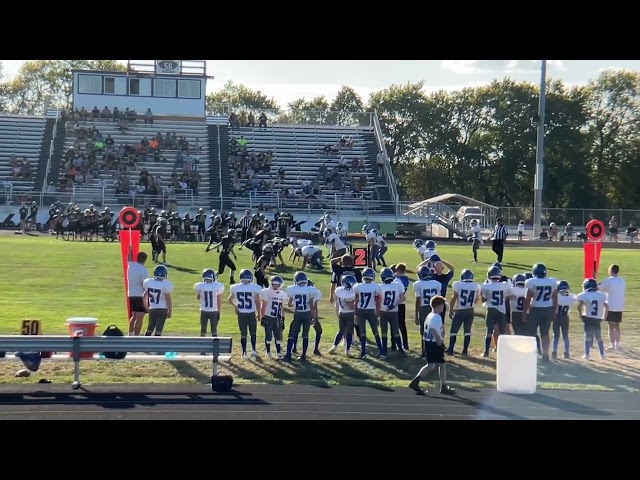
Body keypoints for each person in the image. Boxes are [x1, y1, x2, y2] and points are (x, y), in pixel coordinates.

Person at [408, 295, 456, 396]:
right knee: (433, 365)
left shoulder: (430, 315)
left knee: (439, 364)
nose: (444, 307)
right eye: (443, 305)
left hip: (429, 342)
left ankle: (442, 386)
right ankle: (416, 382)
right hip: (434, 343)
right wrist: (439, 342)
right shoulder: (436, 317)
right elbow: (433, 329)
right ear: (438, 305)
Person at [523, 263, 558, 362]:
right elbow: (555, 297)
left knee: (531, 333)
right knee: (545, 333)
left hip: (536, 309)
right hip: (548, 309)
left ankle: (531, 354)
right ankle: (545, 354)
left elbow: (528, 298)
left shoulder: (531, 282)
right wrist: (555, 311)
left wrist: (524, 313)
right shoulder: (552, 282)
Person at [283, 271, 317, 361]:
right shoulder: (311, 289)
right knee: (305, 335)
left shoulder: (292, 289)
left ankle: (288, 354)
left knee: (292, 334)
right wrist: (313, 317)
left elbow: (290, 304)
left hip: (298, 314)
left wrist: (293, 299)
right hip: (307, 313)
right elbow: (312, 305)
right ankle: (303, 355)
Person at [228, 269, 262, 359]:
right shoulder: (255, 287)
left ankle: (244, 352)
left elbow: (230, 299)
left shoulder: (236, 287)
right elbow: (257, 302)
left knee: (243, 333)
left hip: (241, 314)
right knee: (253, 333)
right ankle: (253, 350)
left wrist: (236, 306)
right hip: (251, 313)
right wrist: (259, 313)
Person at [446, 269, 481, 356]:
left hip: (460, 310)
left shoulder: (458, 284)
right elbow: (476, 300)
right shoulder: (476, 286)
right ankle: (465, 351)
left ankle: (450, 349)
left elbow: (454, 298)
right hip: (470, 310)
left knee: (454, 330)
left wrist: (451, 310)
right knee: (467, 331)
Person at [480, 266, 511, 357]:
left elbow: (483, 300)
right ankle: (504, 352)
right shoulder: (505, 285)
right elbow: (506, 296)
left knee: (489, 332)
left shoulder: (486, 286)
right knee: (503, 333)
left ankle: (486, 352)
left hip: (491, 310)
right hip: (502, 310)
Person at [353, 268, 384, 358]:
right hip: (371, 310)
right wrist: (378, 315)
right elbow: (377, 302)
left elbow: (356, 301)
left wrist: (355, 314)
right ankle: (381, 351)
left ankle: (363, 352)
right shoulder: (376, 287)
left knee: (362, 332)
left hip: (360, 310)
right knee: (375, 331)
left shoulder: (358, 286)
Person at [413, 265, 442, 357]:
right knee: (436, 329)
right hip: (436, 307)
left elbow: (418, 300)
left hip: (424, 308)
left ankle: (424, 349)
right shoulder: (437, 283)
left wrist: (416, 314)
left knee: (424, 329)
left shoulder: (417, 284)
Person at [577, 278, 609, 360]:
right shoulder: (601, 295)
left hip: (588, 318)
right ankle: (602, 354)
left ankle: (587, 354)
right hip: (597, 318)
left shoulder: (584, 295)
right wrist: (604, 317)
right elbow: (606, 306)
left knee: (587, 337)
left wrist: (580, 315)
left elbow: (580, 305)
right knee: (598, 337)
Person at [377, 267, 406, 357]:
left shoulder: (379, 287)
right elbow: (403, 298)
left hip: (383, 311)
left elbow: (377, 300)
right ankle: (401, 349)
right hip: (394, 310)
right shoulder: (397, 285)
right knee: (396, 330)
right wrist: (394, 304)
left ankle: (384, 350)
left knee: (384, 331)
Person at [259, 275, 288, 358]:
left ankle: (278, 352)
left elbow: (281, 307)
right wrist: (263, 317)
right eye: (274, 285)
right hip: (268, 316)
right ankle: (268, 352)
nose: (276, 287)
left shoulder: (282, 294)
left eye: (277, 285)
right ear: (271, 284)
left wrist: (283, 317)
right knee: (268, 336)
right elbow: (263, 306)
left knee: (277, 335)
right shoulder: (267, 292)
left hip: (277, 317)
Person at [328, 275, 357, 356]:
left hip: (341, 313)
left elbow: (337, 302)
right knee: (349, 332)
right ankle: (347, 350)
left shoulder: (338, 290)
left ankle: (334, 346)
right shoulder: (351, 294)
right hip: (350, 313)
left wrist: (337, 312)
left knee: (341, 331)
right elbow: (351, 305)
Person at [599, 264, 626, 351]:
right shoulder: (622, 280)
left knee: (610, 326)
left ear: (610, 270)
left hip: (610, 305)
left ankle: (612, 345)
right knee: (617, 326)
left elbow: (599, 288)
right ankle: (617, 345)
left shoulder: (608, 280)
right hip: (619, 305)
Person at [142, 264, 173, 336]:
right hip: (162, 309)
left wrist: (146, 307)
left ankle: (145, 343)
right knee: (159, 329)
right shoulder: (166, 284)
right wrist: (170, 311)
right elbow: (168, 300)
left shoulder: (149, 282)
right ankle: (156, 345)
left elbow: (144, 296)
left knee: (150, 328)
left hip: (152, 308)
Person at [194, 268, 225, 338]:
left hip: (204, 310)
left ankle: (202, 344)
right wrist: (219, 311)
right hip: (214, 311)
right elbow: (219, 300)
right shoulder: (217, 286)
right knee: (214, 330)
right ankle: (215, 345)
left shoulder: (200, 286)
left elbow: (198, 297)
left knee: (203, 329)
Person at [127, 251, 149, 335]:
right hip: (140, 295)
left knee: (134, 316)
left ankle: (130, 334)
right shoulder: (144, 270)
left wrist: (130, 250)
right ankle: (136, 336)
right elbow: (145, 284)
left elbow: (128, 259)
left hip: (131, 294)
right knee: (140, 317)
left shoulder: (131, 266)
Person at [553, 280, 577, 359]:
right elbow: (574, 299)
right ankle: (567, 352)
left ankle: (554, 351)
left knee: (556, 335)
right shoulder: (572, 297)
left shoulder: (557, 296)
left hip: (556, 317)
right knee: (565, 336)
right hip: (565, 317)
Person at [392, 263, 410, 351]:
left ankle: (394, 344)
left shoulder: (397, 281)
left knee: (394, 324)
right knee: (402, 325)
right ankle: (405, 343)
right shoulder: (406, 279)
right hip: (402, 304)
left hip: (397, 302)